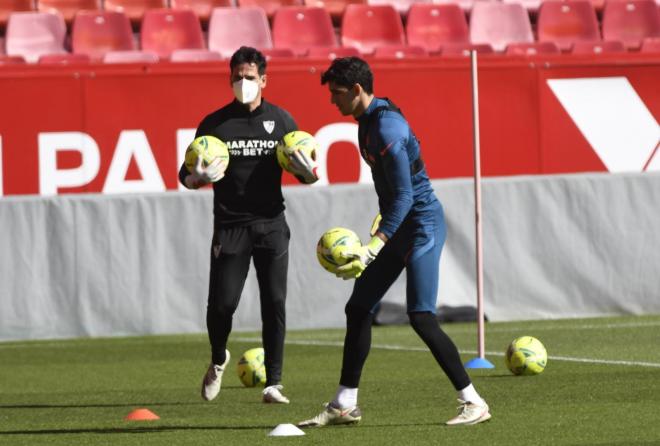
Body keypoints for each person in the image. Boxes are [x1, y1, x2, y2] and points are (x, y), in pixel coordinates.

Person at [298, 57, 491, 427]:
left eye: (337, 94)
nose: (332, 101)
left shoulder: (386, 128)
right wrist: (383, 225)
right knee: (359, 308)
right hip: (399, 224)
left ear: (357, 90)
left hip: (421, 227)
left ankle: (473, 401)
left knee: (420, 316)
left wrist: (376, 242)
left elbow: (405, 195)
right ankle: (344, 404)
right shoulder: (366, 122)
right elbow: (390, 191)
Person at [179, 46, 319, 405]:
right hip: (231, 226)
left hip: (271, 222)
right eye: (237, 77)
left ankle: (274, 382)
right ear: (230, 79)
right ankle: (218, 357)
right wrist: (197, 177)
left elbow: (305, 169)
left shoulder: (282, 120)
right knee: (222, 305)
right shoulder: (215, 123)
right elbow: (184, 175)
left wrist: (307, 175)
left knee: (275, 301)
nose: (244, 83)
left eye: (250, 77)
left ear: (264, 80)